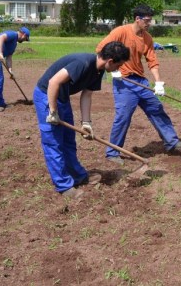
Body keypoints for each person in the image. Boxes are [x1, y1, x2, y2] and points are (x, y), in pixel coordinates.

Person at [33, 41, 130, 199]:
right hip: (47, 96)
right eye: (118, 66)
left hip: (62, 98)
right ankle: (63, 185)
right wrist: (52, 111)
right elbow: (53, 82)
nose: (118, 70)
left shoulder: (98, 71)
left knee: (69, 140)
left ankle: (78, 176)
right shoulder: (83, 63)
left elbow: (87, 94)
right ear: (110, 61)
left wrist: (86, 122)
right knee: (54, 142)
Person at [96, 4, 181, 166]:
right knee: (123, 117)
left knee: (157, 109)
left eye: (150, 20)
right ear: (137, 19)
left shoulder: (147, 38)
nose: (149, 23)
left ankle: (171, 142)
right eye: (146, 20)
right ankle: (112, 152)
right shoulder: (121, 32)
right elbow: (100, 49)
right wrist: (111, 71)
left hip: (140, 81)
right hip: (123, 82)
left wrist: (158, 82)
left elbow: (152, 61)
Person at [0, 27, 30, 112]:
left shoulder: (14, 43)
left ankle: (0, 102)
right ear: (24, 35)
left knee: (0, 78)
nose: (25, 40)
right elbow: (1, 38)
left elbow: (9, 57)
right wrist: (0, 53)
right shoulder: (12, 34)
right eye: (26, 39)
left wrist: (10, 70)